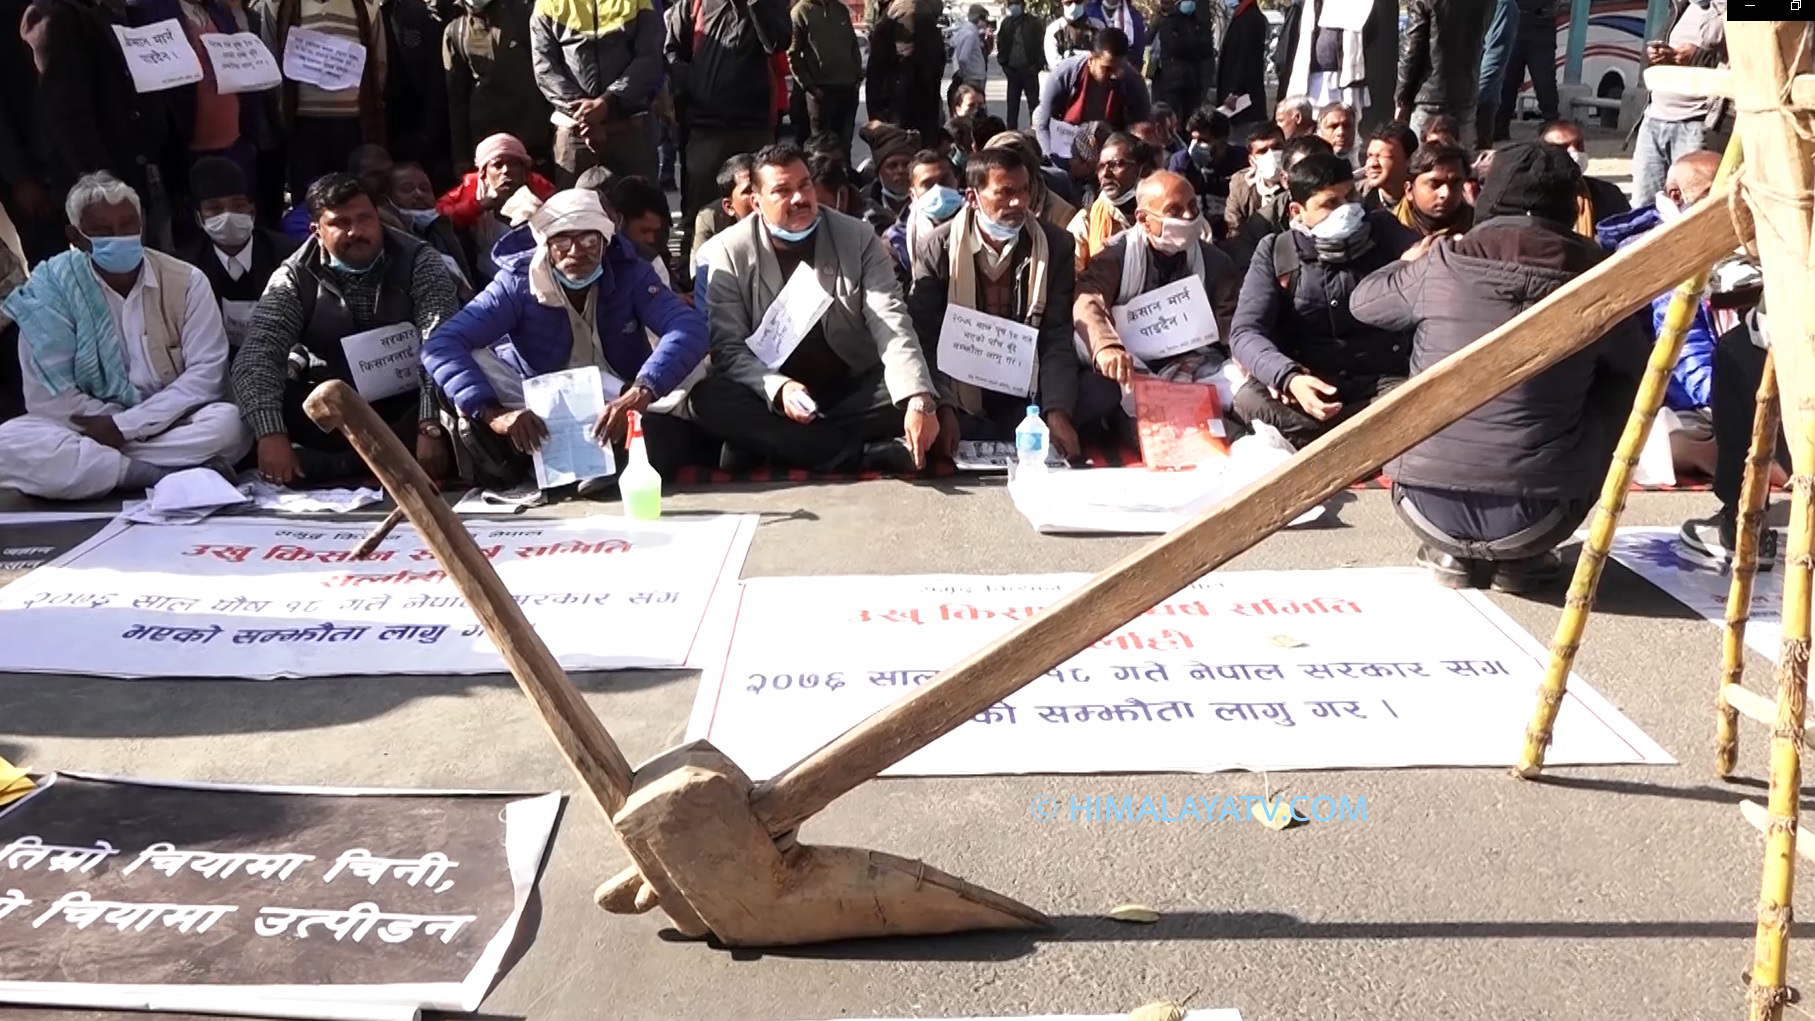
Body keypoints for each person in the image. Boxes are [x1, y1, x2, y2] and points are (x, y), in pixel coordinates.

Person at [1350, 141, 1649, 592]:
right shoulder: (1597, 278)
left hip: (1422, 504)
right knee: (1623, 378)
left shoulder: (1441, 263)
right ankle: (1522, 559)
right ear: (1572, 205)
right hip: (1543, 513)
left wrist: (1408, 262)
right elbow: (1636, 367)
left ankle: (1454, 551)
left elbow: (1364, 303)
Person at [421, 189, 710, 488]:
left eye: (589, 241)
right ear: (545, 245)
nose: (576, 252)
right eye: (562, 242)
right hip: (544, 401)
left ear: (605, 243)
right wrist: (496, 416)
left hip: (619, 393)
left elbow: (688, 327)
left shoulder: (631, 273)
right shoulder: (517, 283)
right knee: (472, 362)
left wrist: (641, 391)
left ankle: (606, 456)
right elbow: (440, 346)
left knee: (696, 368)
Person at [689, 143, 942, 473]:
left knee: (913, 384)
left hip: (851, 389)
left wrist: (918, 399)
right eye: (782, 191)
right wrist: (779, 389)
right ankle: (861, 454)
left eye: (804, 185)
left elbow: (891, 320)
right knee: (707, 400)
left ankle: (783, 445)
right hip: (770, 393)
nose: (799, 198)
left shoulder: (857, 237)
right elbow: (728, 349)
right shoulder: (726, 251)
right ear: (756, 202)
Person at [0, 173, 250, 499]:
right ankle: (161, 474)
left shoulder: (187, 281)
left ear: (142, 223)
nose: (119, 238)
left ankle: (103, 469)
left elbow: (206, 377)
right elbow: (48, 399)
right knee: (9, 442)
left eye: (127, 226)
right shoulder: (50, 291)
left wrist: (128, 426)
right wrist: (110, 425)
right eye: (103, 231)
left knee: (231, 424)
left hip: (170, 421)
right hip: (87, 428)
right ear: (76, 237)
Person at [232, 173, 457, 485]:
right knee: (265, 397)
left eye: (364, 219)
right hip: (334, 411)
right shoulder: (295, 277)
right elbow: (257, 355)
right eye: (341, 223)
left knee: (459, 388)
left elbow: (440, 342)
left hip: (410, 404)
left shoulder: (420, 261)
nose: (356, 232)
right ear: (316, 231)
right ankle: (358, 463)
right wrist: (270, 434)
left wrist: (429, 424)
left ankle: (334, 466)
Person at [1227, 150, 1415, 450]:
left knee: (1412, 401)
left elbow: (1425, 259)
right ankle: (1360, 443)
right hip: (1311, 385)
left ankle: (1341, 445)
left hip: (1382, 381)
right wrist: (1287, 377)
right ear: (1297, 212)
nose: (1347, 210)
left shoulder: (1383, 230)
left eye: (1350, 197)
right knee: (1249, 401)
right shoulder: (1276, 251)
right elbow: (1245, 332)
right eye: (1331, 203)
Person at [907, 145, 1087, 457]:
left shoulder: (1055, 244)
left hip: (1027, 388)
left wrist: (1057, 411)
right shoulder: (937, 247)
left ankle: (1028, 424)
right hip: (961, 389)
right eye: (1005, 193)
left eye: (1023, 191)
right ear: (972, 197)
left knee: (1102, 392)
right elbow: (925, 336)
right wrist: (944, 406)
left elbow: (1056, 335)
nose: (1018, 202)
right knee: (907, 400)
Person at [1595, 150, 1723, 478]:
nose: (1726, 201)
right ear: (1677, 197)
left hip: (1731, 383)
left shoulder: (1726, 238)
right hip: (1687, 400)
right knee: (1674, 440)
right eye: (1714, 193)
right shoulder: (1659, 252)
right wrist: (1736, 395)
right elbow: (1686, 351)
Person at [1074, 170, 1242, 402]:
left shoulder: (1214, 261)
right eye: (1174, 211)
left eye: (1193, 207)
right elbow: (1088, 301)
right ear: (1143, 219)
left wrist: (1244, 356)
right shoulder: (1115, 256)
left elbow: (1232, 320)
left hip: (1194, 362)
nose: (1188, 216)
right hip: (1131, 362)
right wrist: (1106, 347)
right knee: (1085, 345)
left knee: (1241, 380)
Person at [21, 0, 175, 246]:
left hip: (150, 174)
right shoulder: (63, 17)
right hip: (111, 188)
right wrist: (104, 186)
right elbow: (67, 113)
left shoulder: (131, 13)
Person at [262, 0, 448, 202]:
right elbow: (270, 62)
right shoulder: (277, 5)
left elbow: (379, 64)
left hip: (353, 125)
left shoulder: (367, 6)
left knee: (352, 196)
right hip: (302, 126)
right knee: (308, 199)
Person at [534, 0, 669, 185]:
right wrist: (585, 115)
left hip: (630, 128)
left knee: (639, 201)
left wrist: (608, 102)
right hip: (576, 131)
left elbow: (650, 57)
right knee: (573, 202)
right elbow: (544, 67)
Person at [178, 158, 299, 352]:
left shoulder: (288, 255)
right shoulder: (185, 268)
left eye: (238, 206)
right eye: (215, 209)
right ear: (198, 218)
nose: (228, 215)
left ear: (252, 210)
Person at [444, 0, 555, 181]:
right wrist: (460, 155)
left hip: (535, 143)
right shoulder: (456, 31)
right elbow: (456, 99)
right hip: (488, 148)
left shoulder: (525, 15)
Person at [1630, 0, 1728, 205]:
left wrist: (1696, 56)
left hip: (1695, 122)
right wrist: (1657, 55)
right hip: (1654, 118)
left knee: (1689, 206)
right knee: (1643, 205)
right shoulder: (1681, 6)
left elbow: (1723, 49)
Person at [437, 134, 559, 284]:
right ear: (484, 173)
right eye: (497, 165)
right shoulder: (472, 187)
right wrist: (477, 206)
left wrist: (540, 215)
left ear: (525, 171)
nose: (506, 170)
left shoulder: (539, 188)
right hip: (485, 276)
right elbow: (439, 214)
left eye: (514, 164)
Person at [1394, 0, 1492, 152]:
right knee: (1461, 158)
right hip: (1466, 92)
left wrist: (1402, 99)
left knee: (1423, 159)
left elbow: (1411, 51)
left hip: (1429, 95)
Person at [1039, 30, 1153, 159]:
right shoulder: (1064, 75)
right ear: (1091, 60)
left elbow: (1143, 127)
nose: (1115, 75)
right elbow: (1043, 124)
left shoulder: (1134, 82)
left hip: (1113, 152)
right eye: (1107, 68)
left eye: (1120, 68)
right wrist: (1052, 158)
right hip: (1066, 147)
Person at [1067, 132, 1157, 271]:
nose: (1106, 174)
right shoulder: (1086, 221)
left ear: (1143, 171)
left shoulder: (1161, 214)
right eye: (1101, 167)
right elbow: (1071, 274)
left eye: (1116, 164)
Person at [388, 163, 478, 300]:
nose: (418, 194)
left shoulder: (445, 231)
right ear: (388, 198)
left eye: (425, 189)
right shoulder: (389, 240)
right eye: (407, 189)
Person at [865, 0, 947, 140]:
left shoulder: (902, 14)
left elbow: (877, 73)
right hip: (916, 106)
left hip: (900, 107)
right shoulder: (917, 14)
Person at [789, 0, 865, 150]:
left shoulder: (840, 10)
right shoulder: (801, 11)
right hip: (821, 93)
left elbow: (853, 45)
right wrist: (810, 86)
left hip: (847, 89)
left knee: (844, 146)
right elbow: (793, 54)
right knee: (821, 149)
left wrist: (856, 78)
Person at [1539, 119, 1629, 234]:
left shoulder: (1608, 195)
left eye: (1579, 146)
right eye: (1562, 147)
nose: (1574, 152)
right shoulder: (1530, 200)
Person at [885, 150, 963, 276]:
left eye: (944, 182)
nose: (938, 190)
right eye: (928, 185)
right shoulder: (897, 241)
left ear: (956, 181)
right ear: (913, 194)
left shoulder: (980, 222)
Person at [1172, 108, 1246, 232]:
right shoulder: (1181, 162)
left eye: (1203, 140)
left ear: (1222, 141)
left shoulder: (1240, 159)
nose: (1195, 145)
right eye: (1193, 139)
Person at [1495, 0, 1559, 139]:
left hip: (1541, 24)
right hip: (1513, 21)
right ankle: (1500, 126)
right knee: (1507, 80)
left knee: (1544, 81)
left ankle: (1552, 125)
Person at [1148, 0, 1211, 126]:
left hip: (1194, 82)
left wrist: (1186, 45)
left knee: (1193, 122)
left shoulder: (1198, 23)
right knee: (1173, 121)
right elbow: (1172, 47)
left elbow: (1207, 49)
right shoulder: (1169, 22)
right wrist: (1194, 46)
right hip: (1172, 82)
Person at [691, 154, 759, 271]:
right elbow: (700, 270)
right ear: (729, 206)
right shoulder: (711, 219)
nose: (758, 196)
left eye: (761, 187)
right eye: (748, 191)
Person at [1216, 0, 1269, 141]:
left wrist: (1235, 91)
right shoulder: (1242, 16)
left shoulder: (1250, 18)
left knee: (1242, 140)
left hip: (1243, 99)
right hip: (1239, 96)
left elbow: (1246, 59)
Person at [1394, 141, 1471, 236]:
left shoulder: (1478, 233)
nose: (1446, 193)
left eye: (1455, 183)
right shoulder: (1386, 233)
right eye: (1435, 184)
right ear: (1409, 190)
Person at [1475, 0, 1519, 151]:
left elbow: (1495, 58)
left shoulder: (1502, 4)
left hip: (1477, 101)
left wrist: (1476, 99)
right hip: (1447, 95)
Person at [997, 0, 1047, 129]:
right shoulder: (1006, 24)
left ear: (1023, 5)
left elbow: (1041, 44)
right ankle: (1011, 133)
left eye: (1016, 3)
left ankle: (1035, 132)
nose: (1014, 6)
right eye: (1011, 3)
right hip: (1012, 72)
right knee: (1012, 107)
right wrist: (1004, 65)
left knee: (1034, 106)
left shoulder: (1033, 23)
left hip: (1030, 71)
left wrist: (1038, 66)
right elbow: (1000, 45)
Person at [861, 124, 922, 221]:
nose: (901, 171)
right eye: (892, 166)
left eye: (907, 164)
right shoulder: (861, 205)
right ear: (878, 173)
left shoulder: (930, 202)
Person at [1358, 121, 1416, 210]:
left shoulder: (1425, 198)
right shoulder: (1356, 197)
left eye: (1382, 156)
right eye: (1370, 155)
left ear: (1409, 161)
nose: (1373, 164)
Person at [1086, 0, 1146, 69]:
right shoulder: (1088, 12)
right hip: (1094, 67)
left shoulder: (1135, 17)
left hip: (1124, 68)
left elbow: (1138, 48)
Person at [1045, 0, 1103, 69]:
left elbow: (1103, 58)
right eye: (1069, 3)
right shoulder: (1053, 30)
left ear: (1085, 2)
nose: (1074, 6)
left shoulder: (1098, 27)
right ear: (1062, 3)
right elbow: (1055, 65)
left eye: (1078, 1)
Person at [951, 4, 989, 92]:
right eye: (984, 19)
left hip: (972, 76)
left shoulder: (964, 31)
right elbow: (963, 58)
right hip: (973, 77)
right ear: (978, 18)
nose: (986, 22)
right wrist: (965, 75)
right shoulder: (970, 35)